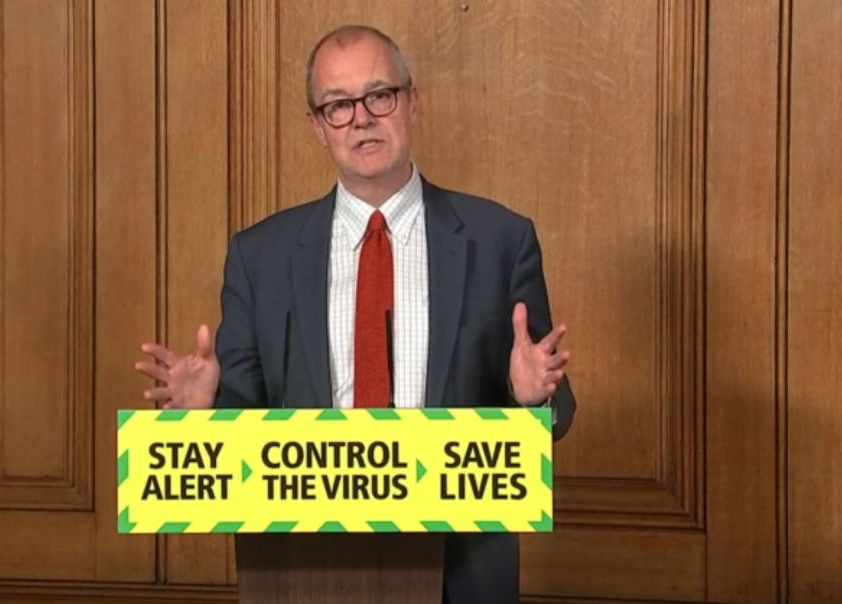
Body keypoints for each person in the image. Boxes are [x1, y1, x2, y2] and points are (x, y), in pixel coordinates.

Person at [136, 24, 576, 604]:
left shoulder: (501, 240)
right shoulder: (258, 256)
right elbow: (246, 434)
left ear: (412, 102)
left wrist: (530, 400)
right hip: (303, 570)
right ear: (317, 125)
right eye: (338, 106)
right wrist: (203, 415)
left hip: (461, 570)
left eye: (379, 96)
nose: (361, 118)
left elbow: (556, 414)